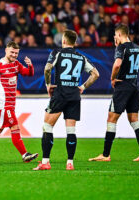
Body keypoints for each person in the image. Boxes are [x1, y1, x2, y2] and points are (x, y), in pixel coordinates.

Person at [33, 30, 99, 171]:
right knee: (71, 130)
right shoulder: (81, 57)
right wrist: (83, 87)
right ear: (75, 42)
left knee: (47, 127)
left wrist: (48, 85)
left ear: (63, 41)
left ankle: (45, 162)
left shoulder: (57, 53)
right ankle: (70, 162)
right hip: (74, 95)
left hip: (60, 93)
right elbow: (95, 74)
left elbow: (47, 69)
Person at [89, 24, 139, 162]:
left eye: (115, 35)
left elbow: (117, 64)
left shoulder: (121, 48)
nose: (114, 38)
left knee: (111, 119)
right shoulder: (136, 47)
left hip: (122, 87)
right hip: (134, 85)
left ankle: (105, 155)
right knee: (134, 120)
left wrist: (112, 78)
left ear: (120, 35)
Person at [0, 41, 38, 163]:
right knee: (14, 126)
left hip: (11, 103)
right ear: (6, 50)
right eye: (12, 52)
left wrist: (30, 66)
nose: (14, 55)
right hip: (3, 103)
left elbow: (29, 73)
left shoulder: (16, 64)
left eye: (16, 53)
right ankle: (24, 154)